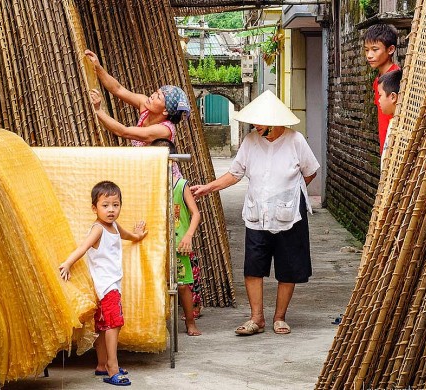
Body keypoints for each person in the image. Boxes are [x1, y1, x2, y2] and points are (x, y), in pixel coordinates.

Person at [190, 90, 320, 336]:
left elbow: (310, 170)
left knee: (288, 268)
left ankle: (279, 317)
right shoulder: (250, 141)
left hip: (289, 214)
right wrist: (209, 187)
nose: (256, 126)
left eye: (261, 122)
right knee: (253, 267)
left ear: (274, 121)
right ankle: (256, 318)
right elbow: (235, 173)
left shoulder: (295, 140)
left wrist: (289, 191)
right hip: (256, 213)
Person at [59, 181, 148, 386]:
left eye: (115, 205)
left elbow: (128, 236)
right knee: (113, 325)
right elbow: (83, 247)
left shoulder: (114, 226)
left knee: (103, 326)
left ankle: (101, 365)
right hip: (107, 287)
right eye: (105, 205)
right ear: (94, 208)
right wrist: (68, 263)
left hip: (107, 286)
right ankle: (112, 368)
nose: (111, 210)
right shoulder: (98, 229)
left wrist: (138, 234)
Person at [151, 138, 202, 336]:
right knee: (157, 284)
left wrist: (188, 235)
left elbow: (196, 213)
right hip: (157, 243)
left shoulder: (181, 185)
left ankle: (190, 322)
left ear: (173, 161)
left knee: (182, 285)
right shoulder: (151, 185)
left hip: (179, 243)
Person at [84, 49, 190, 144]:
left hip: (156, 166)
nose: (152, 96)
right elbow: (118, 89)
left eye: (158, 97)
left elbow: (123, 132)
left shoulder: (164, 130)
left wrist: (98, 110)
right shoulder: (145, 104)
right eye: (156, 92)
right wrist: (98, 67)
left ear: (166, 111)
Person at [363, 23, 400, 153]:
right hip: (385, 146)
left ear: (390, 49)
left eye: (375, 49)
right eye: (367, 50)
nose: (369, 55)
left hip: (395, 148)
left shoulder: (397, 78)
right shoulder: (378, 80)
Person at [378, 69, 403, 167]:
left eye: (380, 95)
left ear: (393, 97)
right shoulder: (394, 123)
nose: (379, 100)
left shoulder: (400, 129)